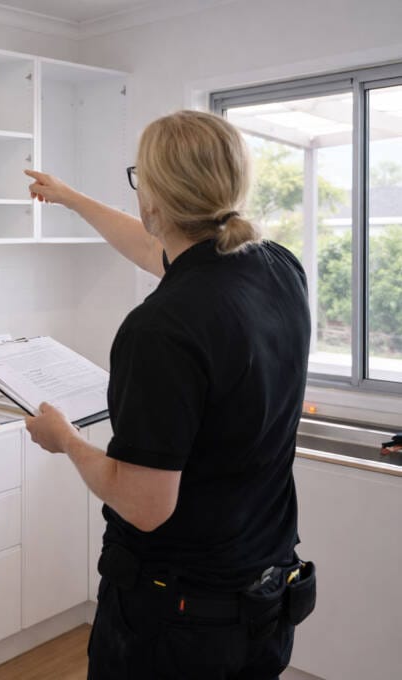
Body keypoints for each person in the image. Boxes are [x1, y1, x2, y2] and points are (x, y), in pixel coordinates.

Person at [25, 110, 315, 679]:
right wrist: (72, 198)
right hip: (262, 599)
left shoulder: (160, 328)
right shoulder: (279, 268)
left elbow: (144, 505)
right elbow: (159, 248)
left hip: (177, 624)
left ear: (154, 199)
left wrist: (67, 442)